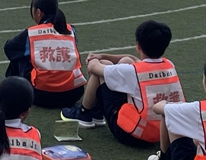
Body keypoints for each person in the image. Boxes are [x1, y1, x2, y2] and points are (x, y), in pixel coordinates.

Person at [61, 20, 185, 150]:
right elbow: (131, 58)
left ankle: (84, 113)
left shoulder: (133, 71)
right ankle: (96, 112)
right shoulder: (169, 64)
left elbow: (94, 68)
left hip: (134, 133)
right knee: (126, 61)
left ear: (138, 46)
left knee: (104, 67)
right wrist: (103, 55)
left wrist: (95, 58)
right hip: (163, 131)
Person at [4, 0, 86, 109]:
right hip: (73, 93)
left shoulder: (31, 33)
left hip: (41, 95)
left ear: (38, 12)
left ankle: (14, 88)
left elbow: (9, 48)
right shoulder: (70, 29)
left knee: (21, 55)